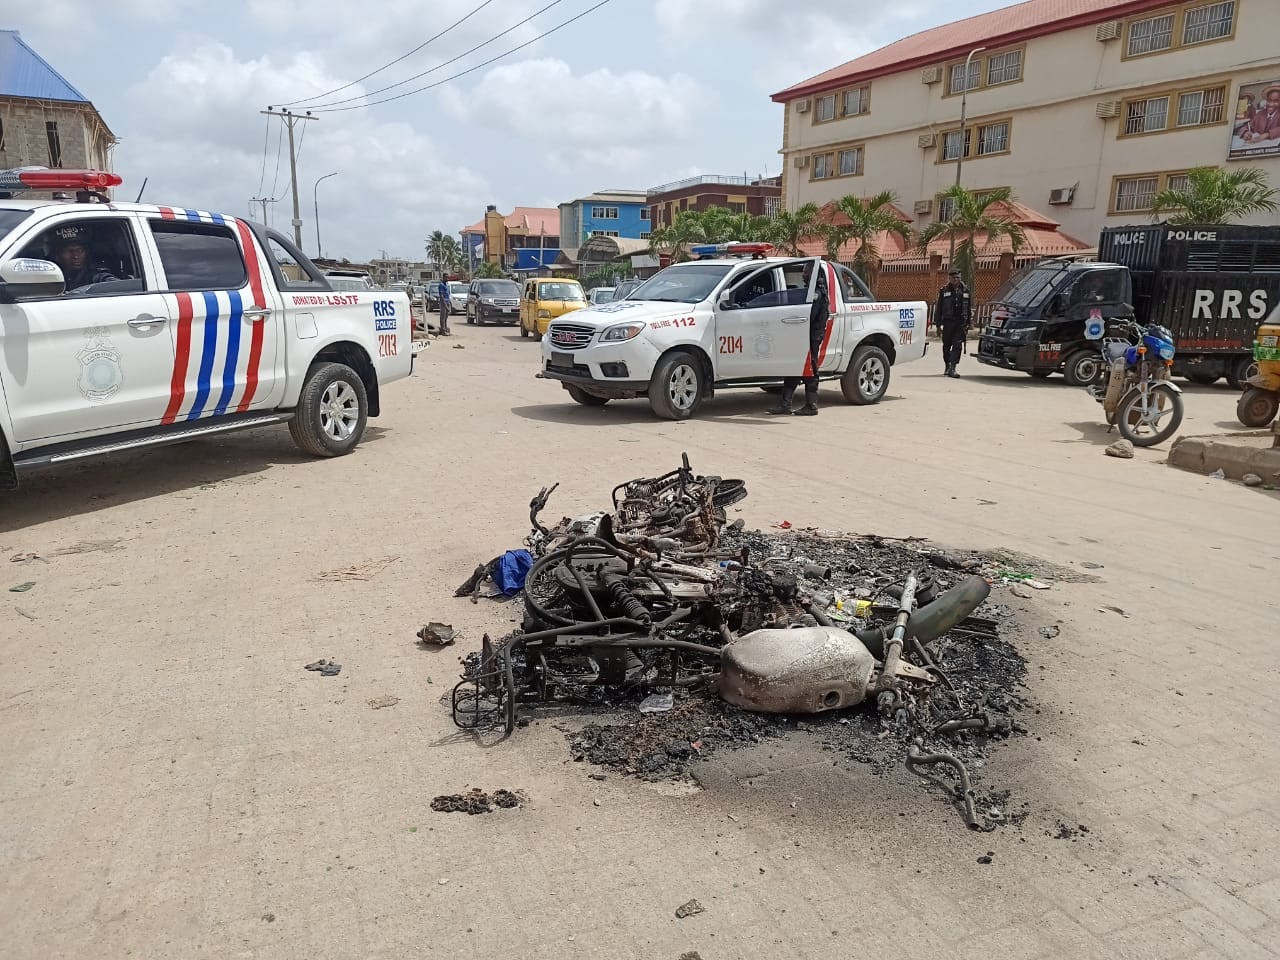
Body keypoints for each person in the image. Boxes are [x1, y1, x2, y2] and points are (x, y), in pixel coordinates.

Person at [769, 260, 829, 417]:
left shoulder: (816, 294)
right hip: (803, 335)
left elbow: (809, 315)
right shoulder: (811, 292)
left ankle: (811, 405)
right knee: (795, 367)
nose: (803, 274)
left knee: (809, 369)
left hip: (811, 336)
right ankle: (785, 404)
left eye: (806, 271)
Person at [50, 225, 117, 291]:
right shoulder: (50, 273)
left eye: (79, 250)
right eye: (69, 251)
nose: (75, 256)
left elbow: (112, 283)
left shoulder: (94, 274)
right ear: (57, 255)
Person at [935, 269, 971, 378]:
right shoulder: (944, 290)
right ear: (949, 278)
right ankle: (947, 364)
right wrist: (938, 325)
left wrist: (968, 322)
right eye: (954, 278)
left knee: (957, 345)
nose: (956, 279)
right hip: (948, 322)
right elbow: (939, 308)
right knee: (947, 345)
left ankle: (953, 367)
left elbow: (968, 307)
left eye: (958, 277)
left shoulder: (965, 291)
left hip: (960, 323)